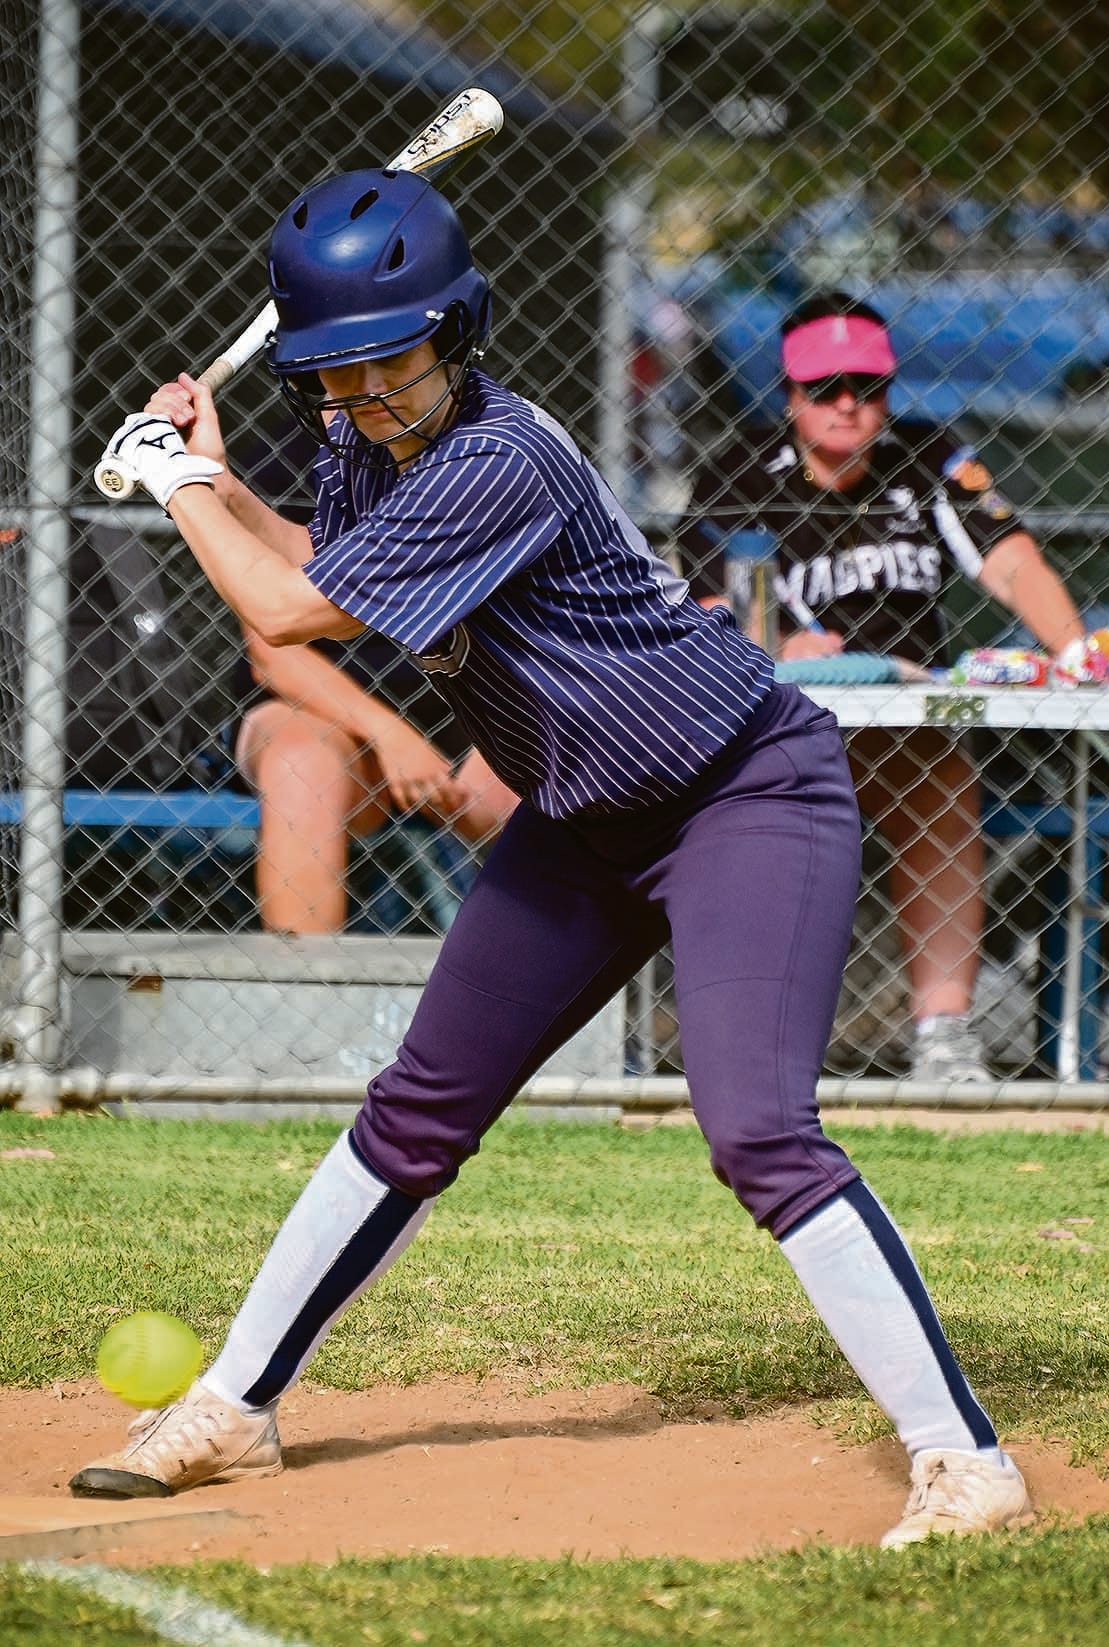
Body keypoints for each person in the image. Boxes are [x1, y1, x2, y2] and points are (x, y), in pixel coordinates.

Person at [70, 175, 1032, 1546]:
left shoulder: (497, 456)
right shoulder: (362, 441)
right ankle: (235, 1403)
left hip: (741, 789)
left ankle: (963, 1460)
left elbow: (285, 612)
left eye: (389, 360)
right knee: (415, 1110)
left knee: (755, 1128)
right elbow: (325, 567)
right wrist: (215, 477)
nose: (363, 395)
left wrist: (173, 486)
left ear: (454, 335)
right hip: (585, 820)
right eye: (333, 373)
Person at [679, 291, 1090, 1083]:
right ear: (790, 392)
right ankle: (754, 1038)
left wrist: (1073, 648)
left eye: (865, 387)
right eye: (824, 386)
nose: (846, 404)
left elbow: (1009, 560)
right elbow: (704, 608)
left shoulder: (926, 458)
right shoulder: (736, 470)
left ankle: (941, 1034)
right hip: (776, 724)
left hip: (904, 729)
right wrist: (775, 641)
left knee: (938, 774)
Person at [230, 431, 516, 934]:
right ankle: (302, 997)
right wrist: (392, 738)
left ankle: (530, 997)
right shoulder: (281, 462)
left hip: (464, 714)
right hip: (325, 717)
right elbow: (273, 656)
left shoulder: (479, 450)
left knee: (555, 769)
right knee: (303, 765)